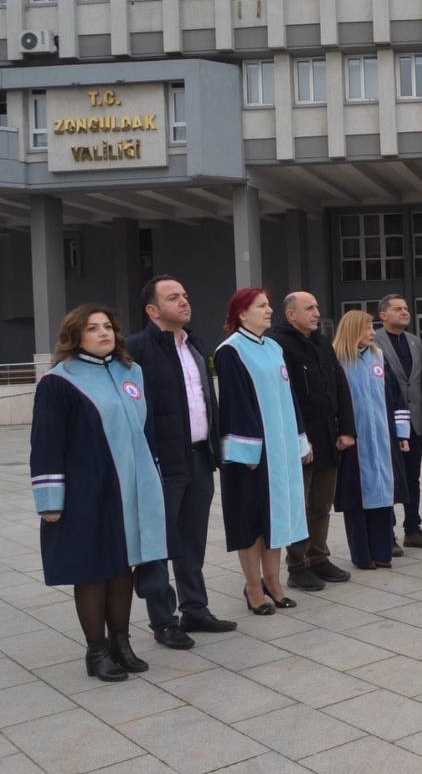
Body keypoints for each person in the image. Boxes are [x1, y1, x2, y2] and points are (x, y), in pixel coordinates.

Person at [30, 305, 168, 681]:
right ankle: (97, 652)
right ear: (75, 335)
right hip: (85, 492)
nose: (104, 333)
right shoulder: (59, 382)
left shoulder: (131, 372)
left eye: (107, 326)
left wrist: (153, 481)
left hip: (129, 489)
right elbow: (46, 443)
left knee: (123, 566)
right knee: (92, 570)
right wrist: (49, 501)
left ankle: (121, 644)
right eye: (92, 328)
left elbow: (147, 432)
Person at [127, 275, 236, 651]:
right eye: (173, 297)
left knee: (192, 539)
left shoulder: (195, 345)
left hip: (200, 457)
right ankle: (163, 620)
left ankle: (195, 609)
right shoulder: (137, 349)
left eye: (185, 295)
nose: (184, 302)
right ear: (152, 309)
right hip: (163, 462)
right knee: (159, 542)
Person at [214, 288, 310, 615]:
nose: (270, 310)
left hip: (281, 450)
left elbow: (289, 397)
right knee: (251, 521)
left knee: (277, 517)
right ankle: (253, 587)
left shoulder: (273, 347)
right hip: (253, 456)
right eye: (262, 306)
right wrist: (247, 453)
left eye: (269, 305)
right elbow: (234, 404)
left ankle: (273, 581)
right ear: (242, 313)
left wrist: (300, 440)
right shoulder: (231, 351)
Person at [268, 291, 356, 592]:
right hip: (301, 439)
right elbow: (285, 397)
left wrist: (347, 429)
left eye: (317, 307)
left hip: (329, 437)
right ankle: (297, 565)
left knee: (321, 504)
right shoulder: (279, 344)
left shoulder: (321, 342)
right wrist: (300, 439)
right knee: (299, 505)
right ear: (291, 314)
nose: (317, 312)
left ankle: (318, 557)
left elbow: (339, 385)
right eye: (309, 308)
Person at [333, 311, 410, 570]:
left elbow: (396, 397)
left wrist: (401, 433)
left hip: (383, 440)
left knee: (383, 495)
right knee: (357, 498)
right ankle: (362, 555)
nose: (371, 333)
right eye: (366, 328)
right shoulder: (338, 360)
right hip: (355, 442)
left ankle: (382, 551)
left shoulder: (379, 357)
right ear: (353, 330)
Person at [373, 294, 422, 553]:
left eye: (406, 308)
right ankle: (386, 534)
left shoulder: (415, 341)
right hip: (387, 421)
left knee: (412, 477)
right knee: (389, 477)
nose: (404, 312)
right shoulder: (373, 340)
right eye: (398, 308)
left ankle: (413, 529)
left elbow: (419, 381)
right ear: (383, 315)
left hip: (414, 421)